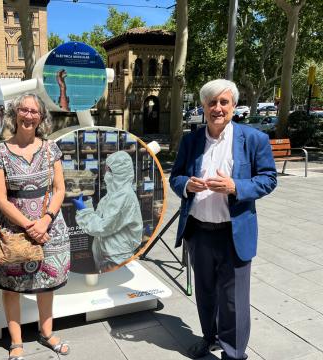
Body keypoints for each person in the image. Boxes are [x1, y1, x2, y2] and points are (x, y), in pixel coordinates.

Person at [169, 79, 277, 360]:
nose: (217, 108)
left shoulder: (254, 139)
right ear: (203, 107)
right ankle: (210, 338)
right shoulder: (191, 140)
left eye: (223, 102)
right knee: (205, 294)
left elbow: (268, 179)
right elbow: (176, 176)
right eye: (211, 103)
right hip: (199, 231)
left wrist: (236, 187)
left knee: (233, 301)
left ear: (233, 106)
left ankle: (234, 353)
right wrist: (186, 185)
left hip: (234, 232)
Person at [0, 93, 70, 359]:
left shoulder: (50, 148)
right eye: (24, 110)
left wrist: (44, 221)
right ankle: (16, 342)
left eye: (35, 112)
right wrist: (27, 225)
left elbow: (59, 189)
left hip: (49, 228)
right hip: (15, 230)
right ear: (15, 115)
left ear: (42, 118)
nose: (29, 115)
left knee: (45, 283)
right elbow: (0, 198)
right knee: (12, 287)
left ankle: (47, 333)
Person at [72, 151, 143, 273]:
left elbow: (102, 227)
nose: (105, 174)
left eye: (108, 170)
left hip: (116, 258)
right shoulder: (114, 194)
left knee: (114, 290)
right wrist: (87, 204)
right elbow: (101, 218)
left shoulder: (124, 197)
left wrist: (83, 211)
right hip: (107, 255)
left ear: (119, 172)